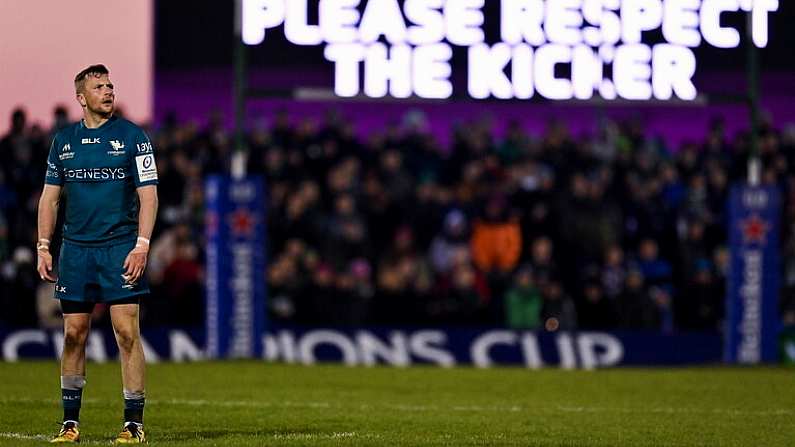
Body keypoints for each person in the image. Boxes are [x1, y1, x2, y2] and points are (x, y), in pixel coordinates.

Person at [37, 65, 158, 444]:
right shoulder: (64, 141)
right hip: (75, 250)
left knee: (126, 332)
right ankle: (69, 423)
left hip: (119, 248)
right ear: (81, 97)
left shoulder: (133, 137)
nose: (107, 91)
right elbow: (50, 197)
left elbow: (148, 194)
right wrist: (43, 244)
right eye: (98, 86)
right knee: (74, 333)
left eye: (110, 85)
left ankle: (133, 424)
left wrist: (142, 245)